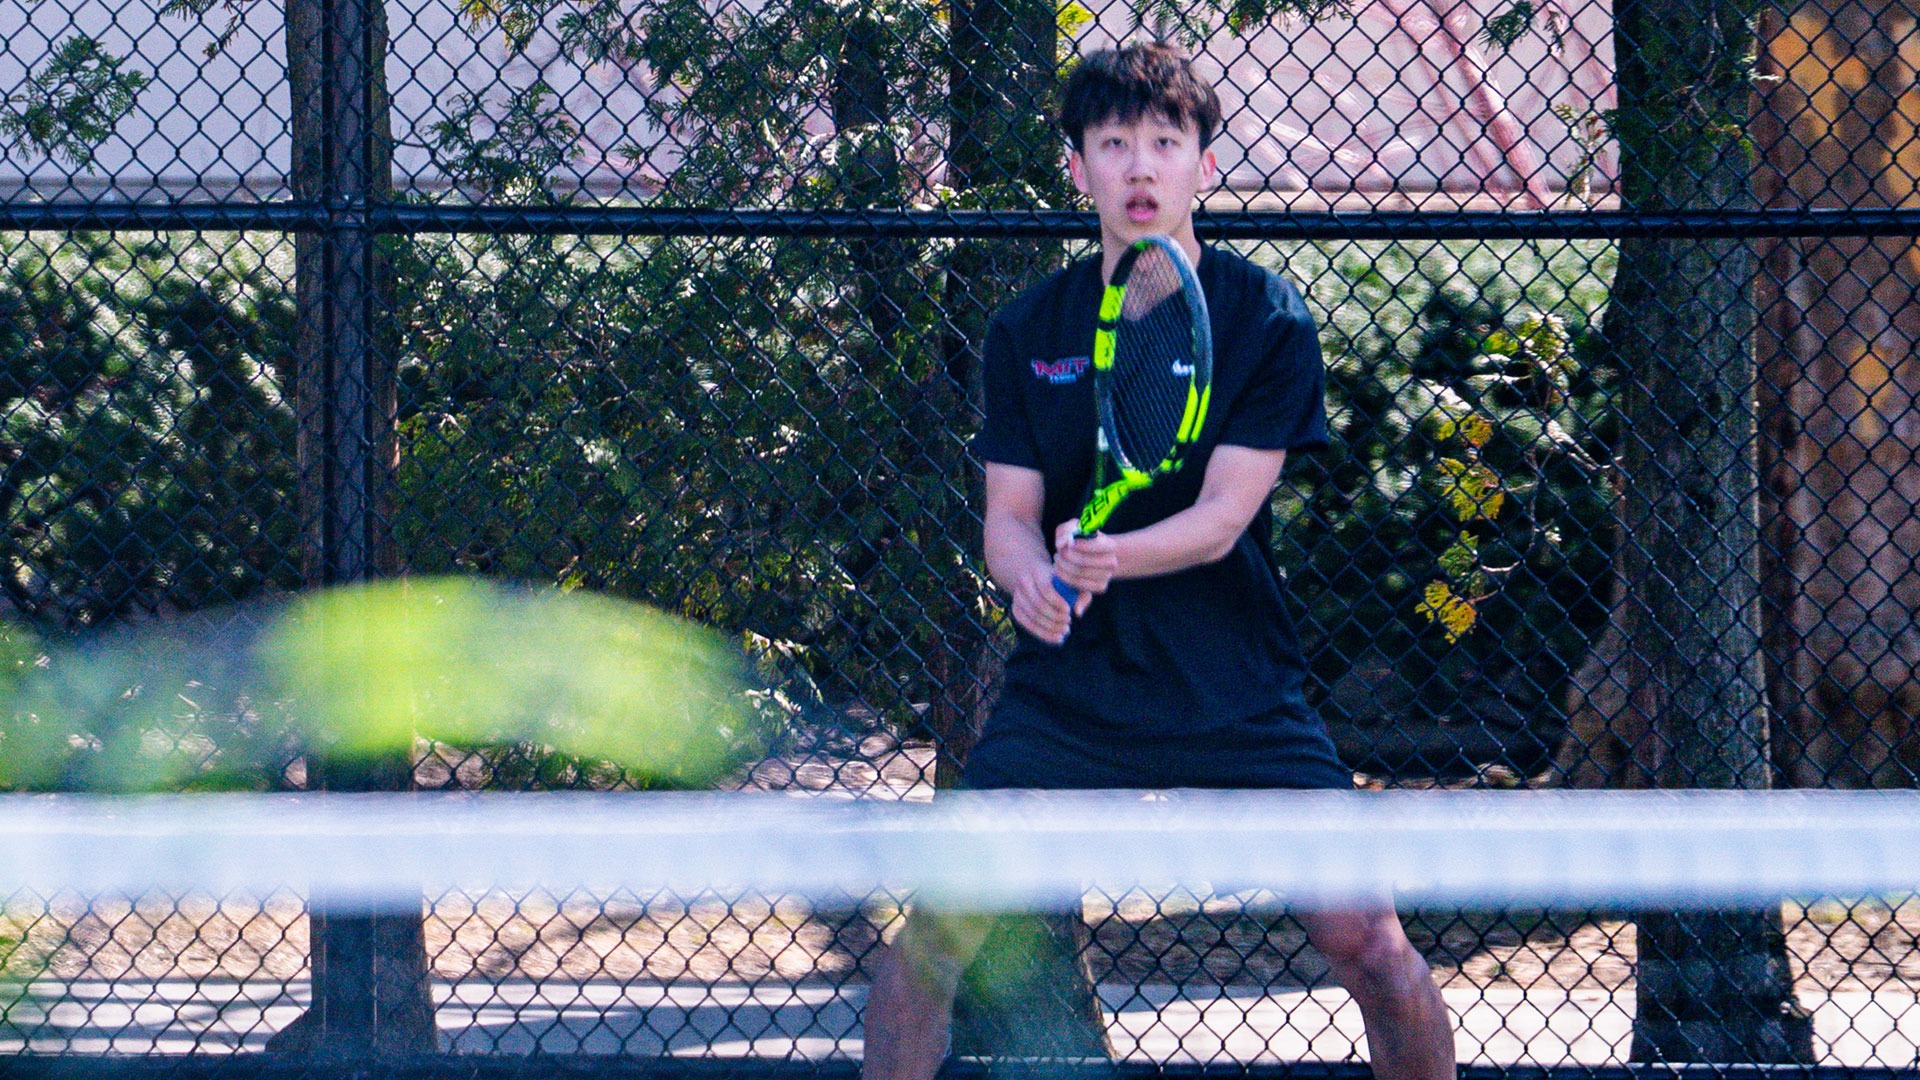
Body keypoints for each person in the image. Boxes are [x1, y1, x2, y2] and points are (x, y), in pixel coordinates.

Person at [861, 42, 1456, 1080]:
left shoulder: (1263, 317)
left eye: (1165, 144)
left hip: (1236, 688)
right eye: (1115, 144)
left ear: (1202, 166)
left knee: (1370, 943)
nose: (1141, 167)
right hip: (1066, 699)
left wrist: (1106, 557)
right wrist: (1028, 579)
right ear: (1079, 168)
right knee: (931, 945)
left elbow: (1224, 519)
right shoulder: (1025, 329)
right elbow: (1008, 518)